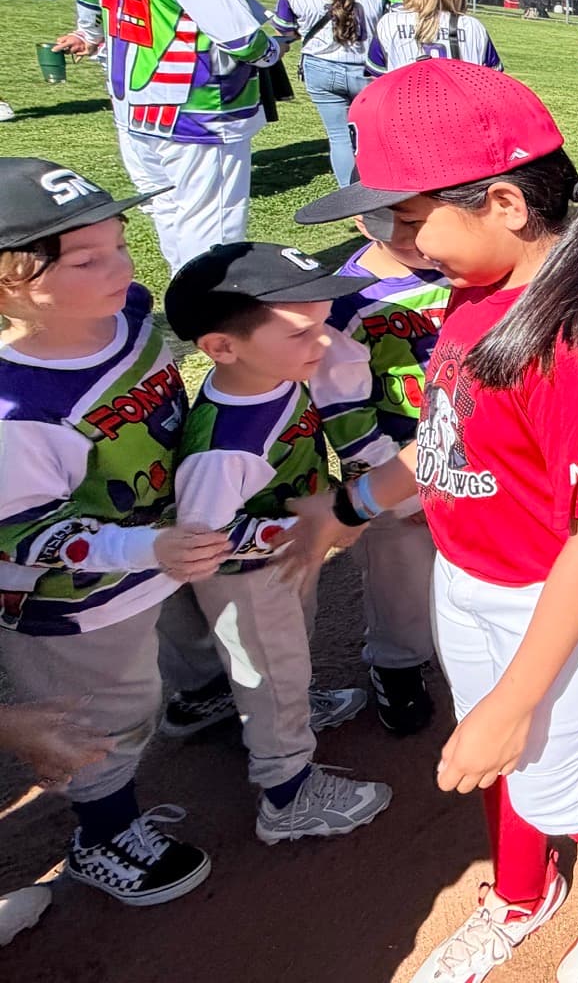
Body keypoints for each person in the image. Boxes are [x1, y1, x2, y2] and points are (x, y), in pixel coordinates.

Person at [288, 60, 578, 983]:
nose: (394, 242)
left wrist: (516, 702)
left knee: (559, 777)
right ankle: (523, 895)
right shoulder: (481, 283)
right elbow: (453, 441)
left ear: (507, 203)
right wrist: (355, 505)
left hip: (567, 583)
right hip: (476, 569)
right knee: (496, 755)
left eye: (407, 218)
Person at [0, 158, 226, 906]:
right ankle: (103, 831)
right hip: (74, 600)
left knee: (185, 640)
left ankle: (198, 702)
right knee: (103, 717)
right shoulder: (16, 408)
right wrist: (140, 550)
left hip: (159, 547)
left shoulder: (127, 312)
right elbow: (20, 536)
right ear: (10, 281)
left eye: (121, 244)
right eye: (87, 259)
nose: (122, 268)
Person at [161, 242, 393, 843]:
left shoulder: (278, 374)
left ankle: (295, 714)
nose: (321, 342)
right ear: (221, 347)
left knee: (294, 650)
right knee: (272, 681)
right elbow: (200, 541)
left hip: (283, 557)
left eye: (321, 324)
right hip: (245, 580)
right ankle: (286, 796)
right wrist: (299, 529)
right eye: (300, 332)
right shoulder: (226, 445)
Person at [87, 0, 283, 273]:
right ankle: (212, 307)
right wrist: (273, 51)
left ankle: (185, 290)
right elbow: (242, 39)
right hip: (198, 110)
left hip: (136, 106)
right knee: (213, 223)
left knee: (167, 208)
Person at [317, 209, 450, 736]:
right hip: (395, 463)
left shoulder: (462, 269)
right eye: (400, 226)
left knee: (468, 562)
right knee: (401, 572)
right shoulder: (348, 301)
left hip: (473, 453)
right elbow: (344, 413)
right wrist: (396, 489)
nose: (420, 239)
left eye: (425, 221)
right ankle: (397, 663)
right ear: (361, 223)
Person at [275, 0, 386, 186]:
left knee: (339, 137)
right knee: (370, 134)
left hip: (321, 67)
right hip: (364, 69)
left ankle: (349, 192)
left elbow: (285, 28)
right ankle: (379, 186)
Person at [368, 0, 502, 75]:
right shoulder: (473, 26)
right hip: (459, 101)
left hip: (404, 100)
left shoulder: (389, 23)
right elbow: (494, 76)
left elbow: (375, 74)